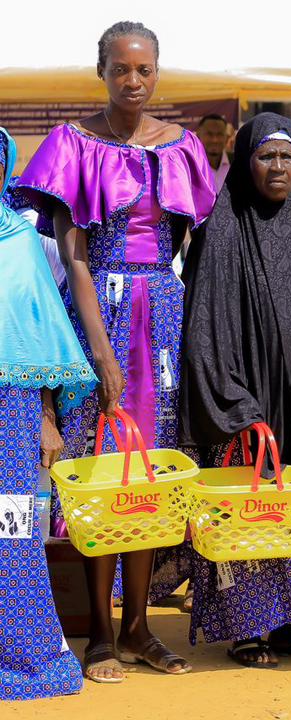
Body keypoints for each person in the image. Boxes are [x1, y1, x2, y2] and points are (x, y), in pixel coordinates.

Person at [15, 21, 216, 683]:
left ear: (159, 72)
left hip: (161, 315)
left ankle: (139, 628)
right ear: (102, 71)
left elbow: (186, 244)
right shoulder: (74, 143)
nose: (134, 81)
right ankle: (100, 632)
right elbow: (73, 255)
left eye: (145, 70)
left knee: (150, 477)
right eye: (122, 69)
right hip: (96, 308)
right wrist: (100, 353)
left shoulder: (183, 146)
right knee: (102, 475)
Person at [179, 112, 291, 668]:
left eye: (287, 156)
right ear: (246, 163)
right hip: (244, 396)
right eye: (265, 157)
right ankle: (246, 626)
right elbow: (204, 321)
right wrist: (234, 402)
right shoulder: (221, 226)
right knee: (249, 509)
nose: (277, 167)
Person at [0, 127, 95, 701]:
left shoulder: (20, 241)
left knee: (11, 527)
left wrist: (46, 416)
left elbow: (40, 333)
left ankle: (23, 655)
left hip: (11, 410)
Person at [196, 113, 230, 192]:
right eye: (209, 134)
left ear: (227, 137)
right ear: (198, 136)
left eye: (220, 134)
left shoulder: (238, 163)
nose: (215, 140)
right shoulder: (190, 167)